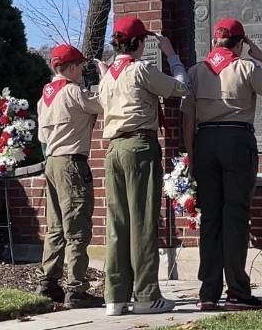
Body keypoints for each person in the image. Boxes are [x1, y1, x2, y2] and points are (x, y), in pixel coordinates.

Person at [181, 17, 262, 311]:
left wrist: (191, 154)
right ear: (241, 43)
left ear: (215, 42)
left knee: (211, 218)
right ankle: (238, 290)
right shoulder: (246, 66)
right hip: (236, 140)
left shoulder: (195, 71)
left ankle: (208, 293)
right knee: (236, 217)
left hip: (204, 143)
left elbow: (188, 118)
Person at [98, 16, 189, 316]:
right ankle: (147, 295)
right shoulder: (140, 69)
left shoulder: (108, 75)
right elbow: (180, 87)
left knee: (118, 223)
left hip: (113, 149)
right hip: (140, 145)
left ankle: (116, 296)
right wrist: (172, 55)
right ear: (137, 43)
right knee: (143, 221)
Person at [36, 44, 105, 308]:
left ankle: (48, 282)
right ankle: (76, 289)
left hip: (51, 162)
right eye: (81, 67)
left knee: (55, 227)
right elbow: (102, 103)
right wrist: (105, 76)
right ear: (73, 67)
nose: (83, 71)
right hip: (73, 162)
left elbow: (42, 137)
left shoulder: (45, 97)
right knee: (77, 227)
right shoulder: (74, 91)